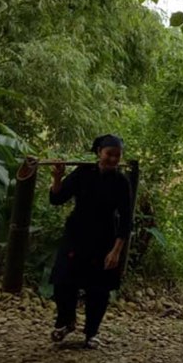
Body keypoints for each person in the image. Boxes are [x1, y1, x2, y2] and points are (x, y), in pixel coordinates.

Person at [49, 135, 132, 348]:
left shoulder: (121, 182)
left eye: (117, 155)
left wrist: (116, 251)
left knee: (99, 289)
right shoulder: (83, 172)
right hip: (76, 235)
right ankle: (66, 321)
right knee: (63, 281)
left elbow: (126, 220)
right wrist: (58, 177)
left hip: (104, 238)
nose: (113, 159)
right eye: (109, 154)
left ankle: (92, 332)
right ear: (99, 153)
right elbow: (57, 199)